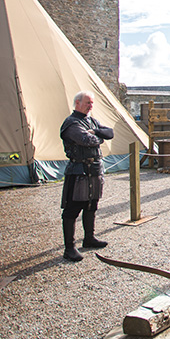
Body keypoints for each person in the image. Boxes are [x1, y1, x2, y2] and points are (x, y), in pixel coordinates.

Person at [59, 91, 114, 262]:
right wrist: (98, 136)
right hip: (78, 171)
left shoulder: (91, 121)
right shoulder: (71, 123)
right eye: (88, 103)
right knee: (72, 210)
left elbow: (110, 133)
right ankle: (69, 248)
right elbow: (86, 139)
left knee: (91, 205)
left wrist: (95, 131)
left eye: (92, 103)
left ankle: (89, 238)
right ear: (77, 103)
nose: (91, 106)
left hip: (94, 170)